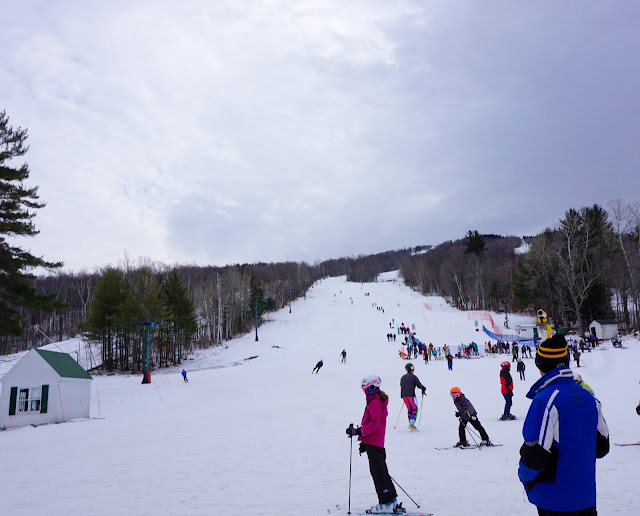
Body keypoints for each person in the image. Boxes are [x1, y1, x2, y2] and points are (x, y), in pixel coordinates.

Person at [518, 333, 609, 515]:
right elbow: (602, 447)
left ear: (541, 366)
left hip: (554, 500)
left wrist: (526, 479)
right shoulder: (589, 397)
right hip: (586, 497)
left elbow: (534, 454)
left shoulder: (546, 400)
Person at [346, 375, 403, 514]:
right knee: (382, 471)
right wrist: (364, 441)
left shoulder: (375, 402)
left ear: (372, 387)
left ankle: (387, 503)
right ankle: (392, 499)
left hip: (375, 442)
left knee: (378, 473)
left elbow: (374, 424)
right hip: (374, 442)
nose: (364, 391)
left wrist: (358, 431)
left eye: (365, 388)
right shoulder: (374, 401)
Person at [400, 363, 426, 431]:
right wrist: (423, 388)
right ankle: (412, 423)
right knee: (415, 408)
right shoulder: (413, 377)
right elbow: (419, 385)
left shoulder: (403, 377)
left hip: (403, 396)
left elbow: (401, 385)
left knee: (409, 409)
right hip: (411, 395)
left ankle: (410, 422)